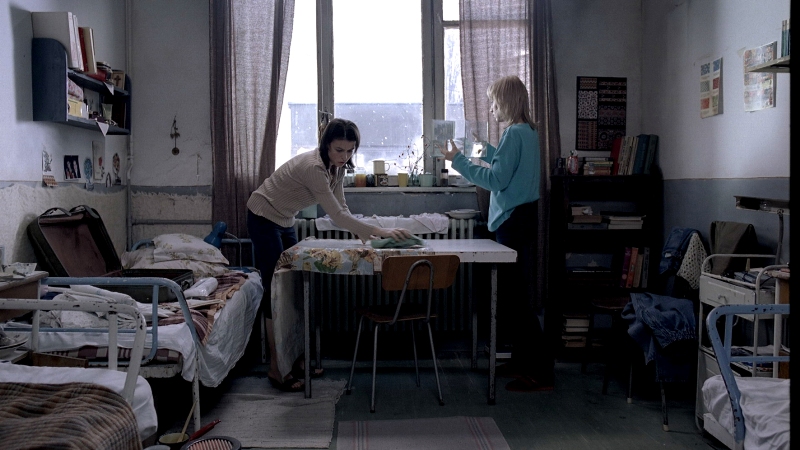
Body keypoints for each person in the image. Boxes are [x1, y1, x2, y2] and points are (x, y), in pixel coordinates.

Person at [247, 118, 413, 392]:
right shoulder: (314, 168)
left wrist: (365, 233)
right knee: (275, 290)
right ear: (326, 145)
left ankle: (295, 359)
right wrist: (378, 230)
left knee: (293, 288)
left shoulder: (337, 168)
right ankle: (276, 367)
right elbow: (335, 214)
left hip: (285, 219)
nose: (344, 156)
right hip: (263, 216)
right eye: (339, 150)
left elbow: (342, 208)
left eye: (350, 151)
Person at [443, 75, 554, 392]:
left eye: (494, 102)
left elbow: (495, 180)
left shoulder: (513, 133)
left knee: (516, 300)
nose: (491, 108)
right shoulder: (528, 132)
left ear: (507, 102)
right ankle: (522, 361)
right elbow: (505, 161)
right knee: (515, 296)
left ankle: (540, 373)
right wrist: (472, 147)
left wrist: (458, 161)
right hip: (524, 219)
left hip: (512, 222)